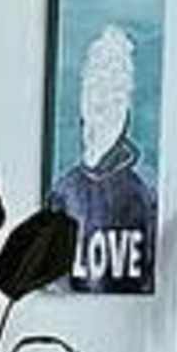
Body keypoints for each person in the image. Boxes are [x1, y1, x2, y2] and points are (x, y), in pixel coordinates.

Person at [53, 17, 156, 293]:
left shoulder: (142, 195)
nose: (101, 105)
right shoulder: (63, 191)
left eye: (115, 95)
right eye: (95, 89)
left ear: (127, 109)